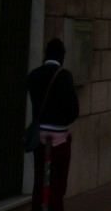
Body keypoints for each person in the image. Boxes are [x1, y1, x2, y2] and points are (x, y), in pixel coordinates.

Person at [27, 38, 79, 211]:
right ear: (62, 56)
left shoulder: (33, 75)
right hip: (60, 140)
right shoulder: (65, 77)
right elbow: (74, 111)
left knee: (39, 182)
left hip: (39, 137)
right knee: (57, 185)